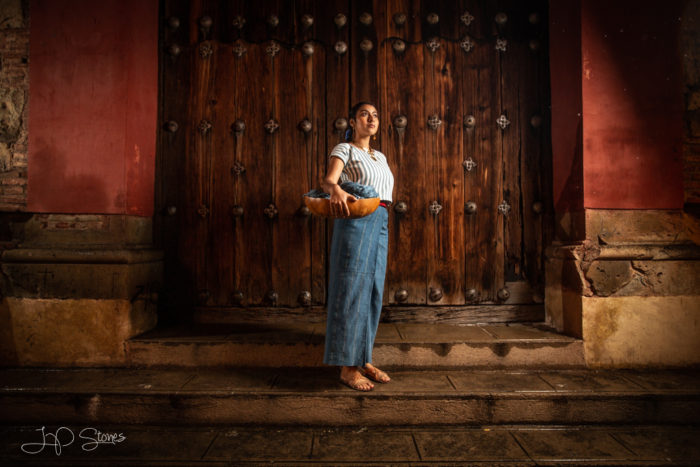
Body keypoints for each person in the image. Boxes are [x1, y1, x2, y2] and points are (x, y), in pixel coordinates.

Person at [320, 101, 395, 391]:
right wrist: (337, 189)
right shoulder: (345, 149)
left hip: (381, 219)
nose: (371, 118)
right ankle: (347, 368)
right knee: (352, 289)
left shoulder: (381, 157)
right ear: (353, 121)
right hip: (357, 219)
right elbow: (328, 181)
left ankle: (363, 358)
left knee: (374, 290)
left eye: (376, 114)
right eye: (364, 114)